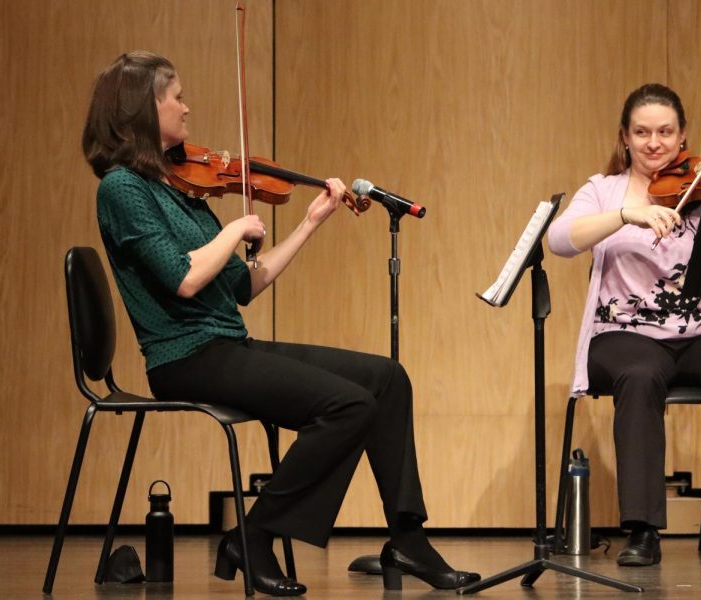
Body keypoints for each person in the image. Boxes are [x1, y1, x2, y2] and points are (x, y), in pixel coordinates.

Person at [82, 51, 479, 595]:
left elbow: (241, 286)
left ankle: (407, 539)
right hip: (184, 357)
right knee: (348, 405)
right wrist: (234, 229)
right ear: (141, 109)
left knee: (387, 378)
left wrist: (310, 224)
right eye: (176, 95)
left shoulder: (179, 186)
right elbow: (183, 279)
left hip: (227, 344)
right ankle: (255, 534)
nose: (187, 106)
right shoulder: (122, 189)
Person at [547, 83, 701, 567]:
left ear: (683, 137)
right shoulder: (604, 190)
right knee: (639, 376)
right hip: (621, 334)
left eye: (665, 132)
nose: (654, 143)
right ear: (625, 138)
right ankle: (642, 529)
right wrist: (623, 215)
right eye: (642, 132)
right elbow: (559, 239)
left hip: (698, 331)